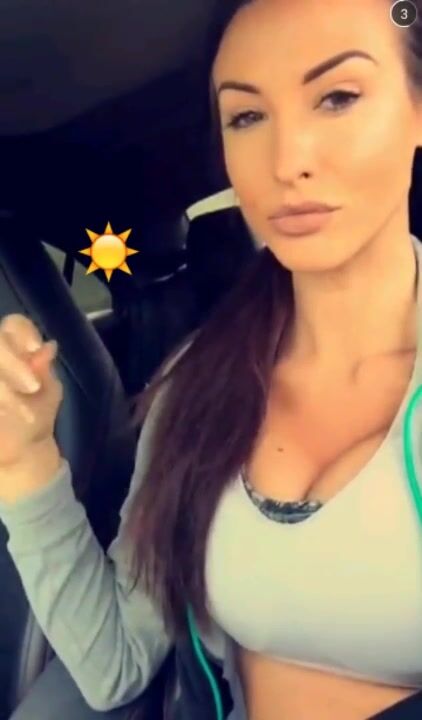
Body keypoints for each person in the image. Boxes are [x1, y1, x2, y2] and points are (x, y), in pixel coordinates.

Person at [1, 0, 422, 718]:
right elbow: (115, 665)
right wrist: (25, 460)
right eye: (246, 116)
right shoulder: (195, 385)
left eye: (338, 97)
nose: (288, 161)